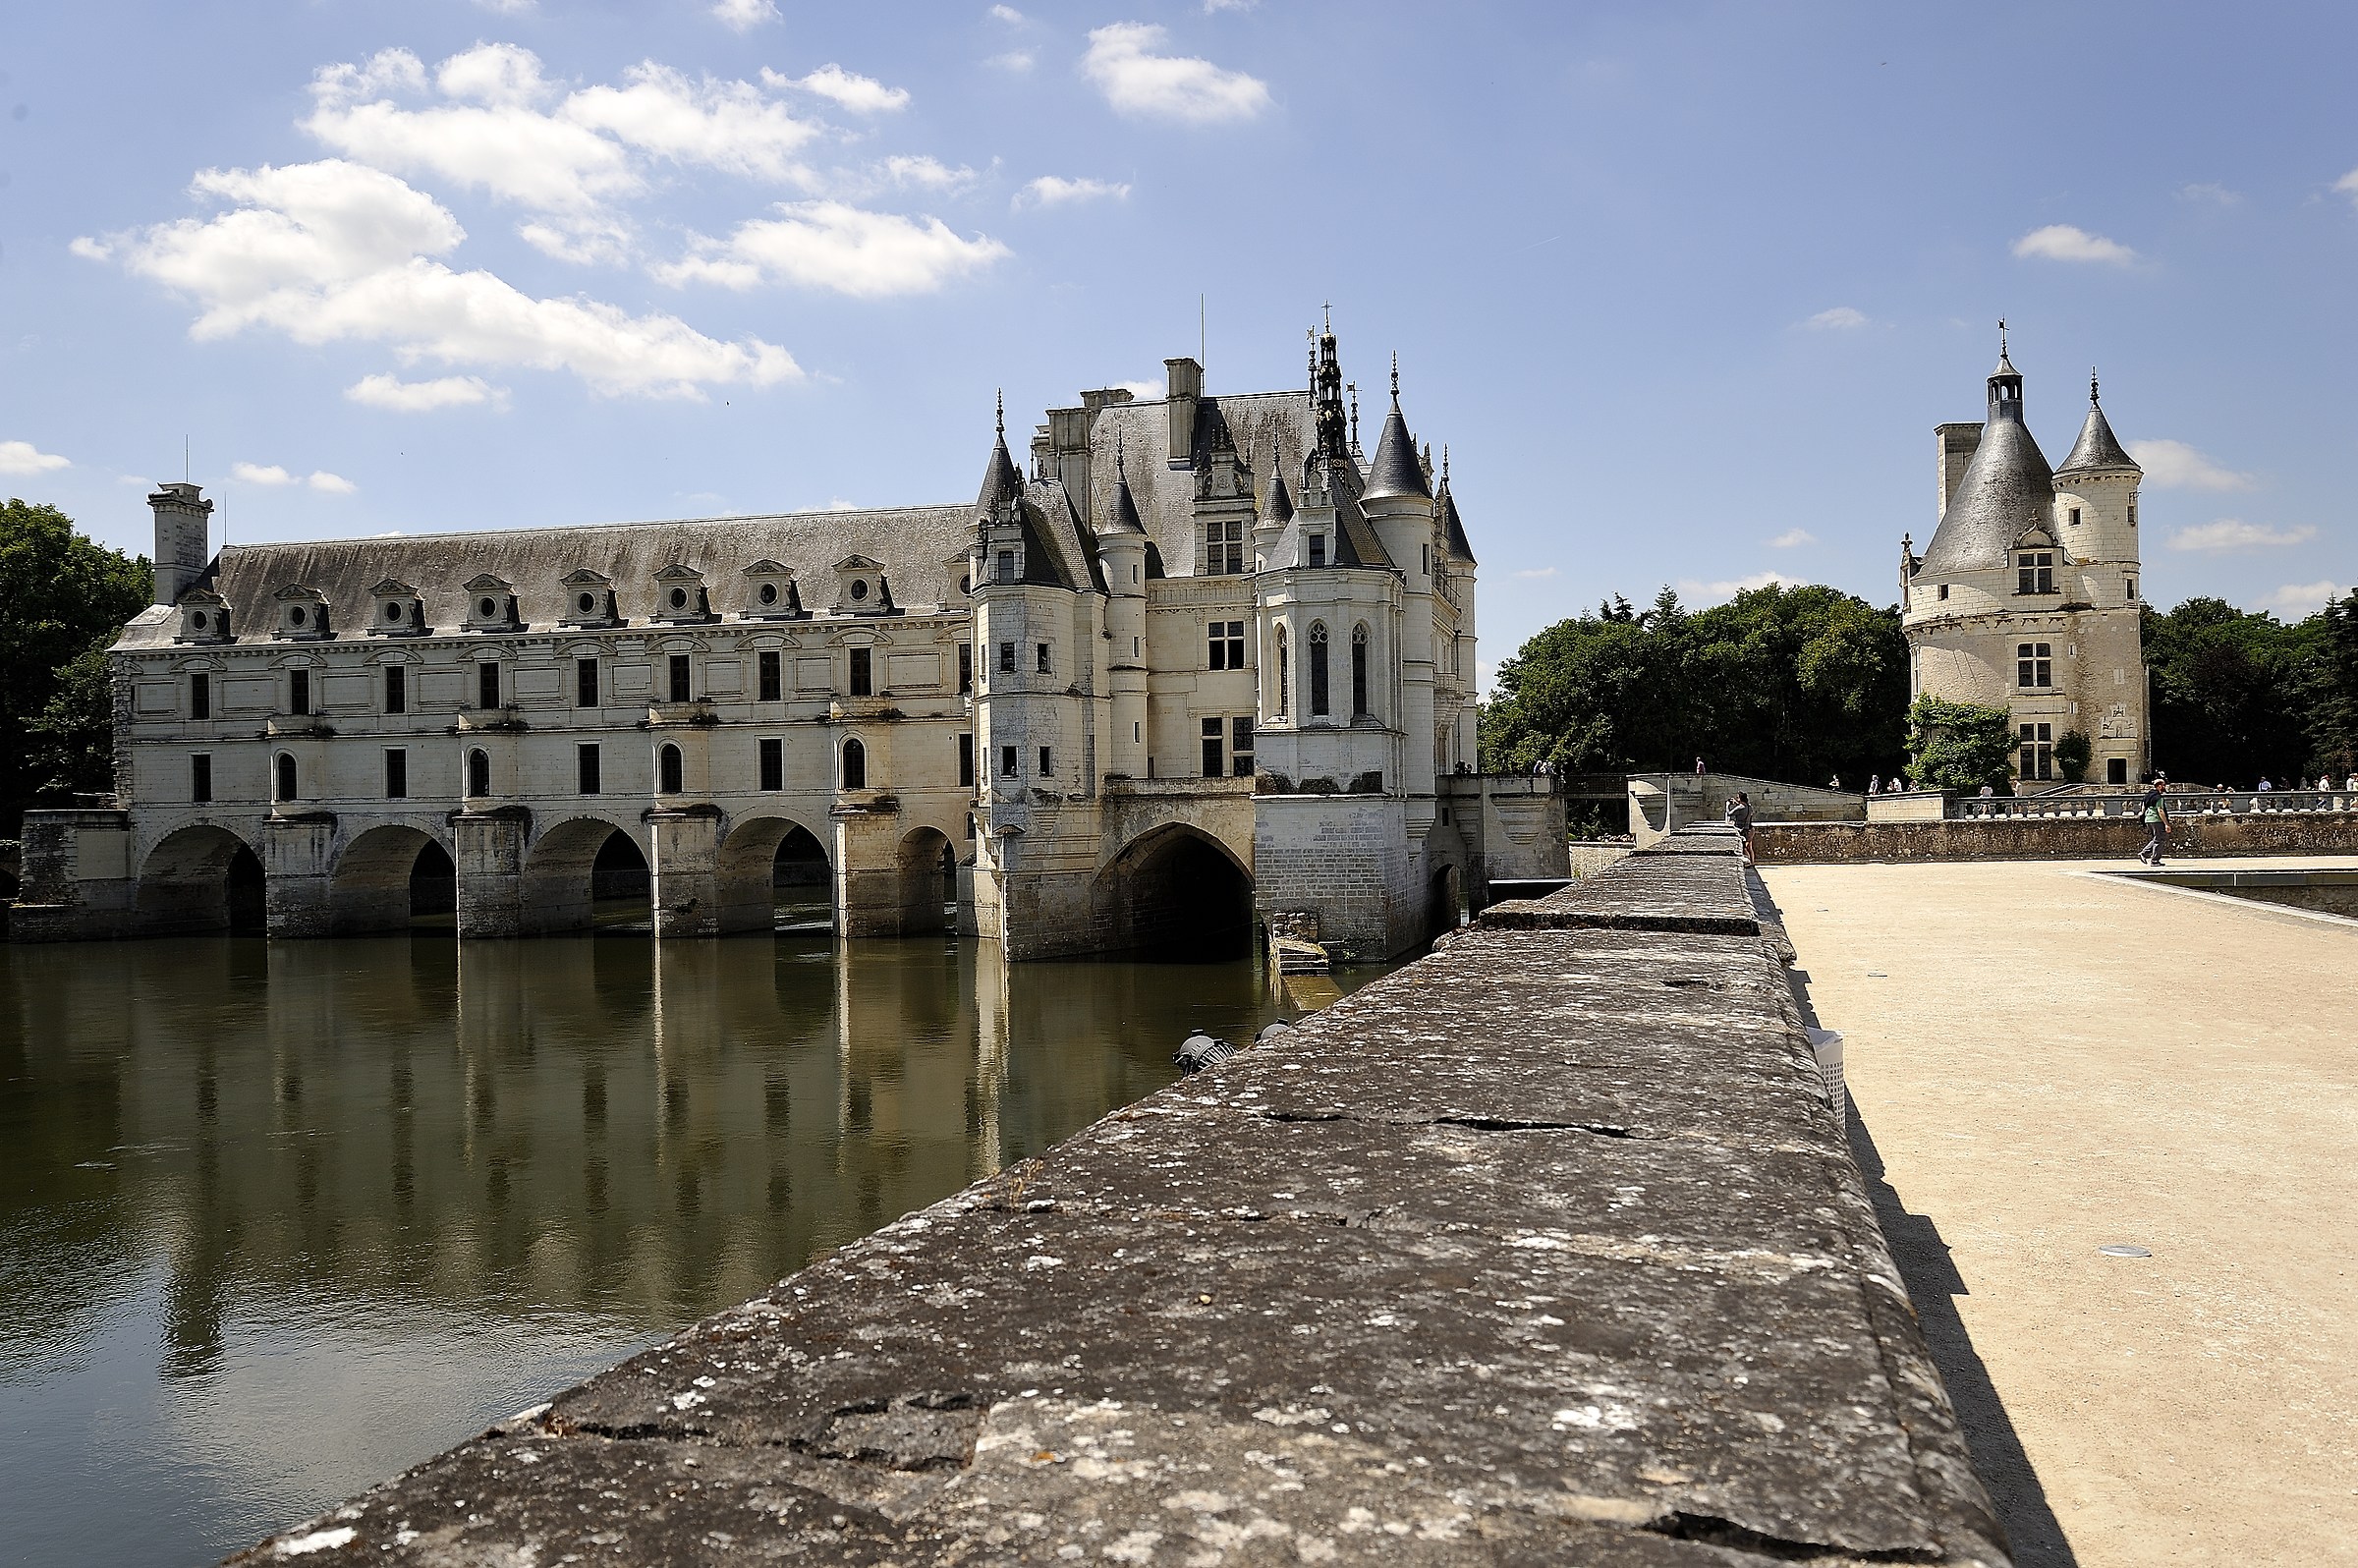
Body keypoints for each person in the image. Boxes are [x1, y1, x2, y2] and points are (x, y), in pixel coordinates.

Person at [2138, 773, 2169, 866]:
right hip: (2156, 820)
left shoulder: (2147, 796)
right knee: (2159, 839)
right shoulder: (2158, 797)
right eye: (2163, 786)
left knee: (2156, 838)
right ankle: (2153, 859)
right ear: (2159, 786)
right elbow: (2160, 811)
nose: (2164, 787)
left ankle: (2145, 854)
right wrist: (2166, 824)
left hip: (2148, 819)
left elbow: (2142, 808)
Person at [1725, 790, 1755, 865]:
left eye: (1737, 797)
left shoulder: (1740, 808)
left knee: (1743, 848)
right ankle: (1752, 863)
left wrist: (1727, 805)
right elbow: (1743, 806)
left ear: (1740, 799)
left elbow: (1729, 813)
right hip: (1750, 829)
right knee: (1749, 848)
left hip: (1742, 830)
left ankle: (1748, 863)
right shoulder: (1749, 806)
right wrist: (1736, 802)